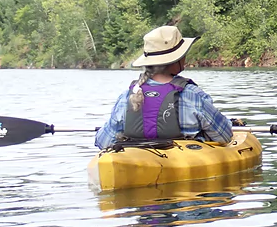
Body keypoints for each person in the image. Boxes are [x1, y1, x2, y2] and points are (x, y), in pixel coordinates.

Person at [95, 25, 233, 150]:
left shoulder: (128, 96)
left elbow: (103, 142)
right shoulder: (191, 95)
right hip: (183, 162)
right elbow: (224, 136)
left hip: (138, 160)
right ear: (175, 60)